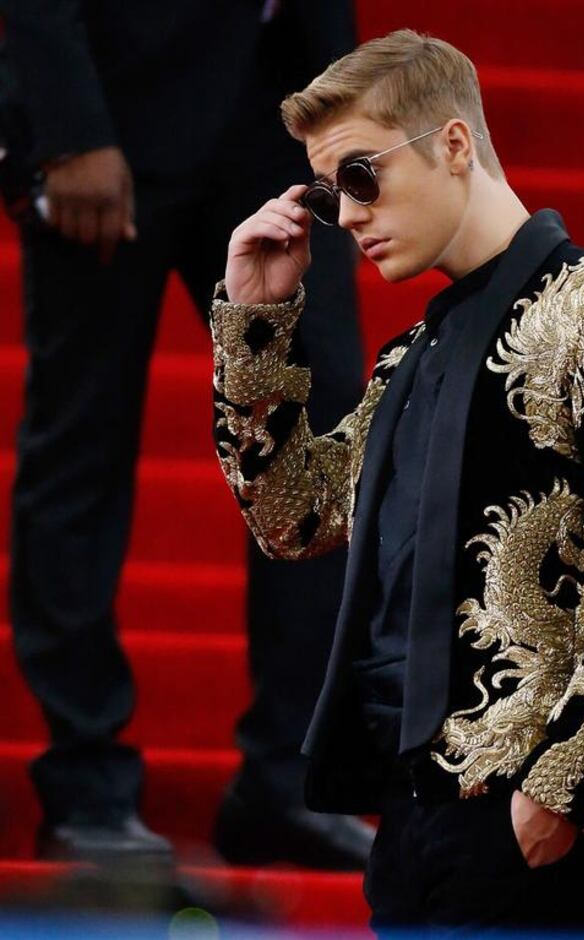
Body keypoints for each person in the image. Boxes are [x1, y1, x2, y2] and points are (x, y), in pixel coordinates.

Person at [212, 28, 584, 934]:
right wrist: (255, 322)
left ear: (454, 144)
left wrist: (564, 784)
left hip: (529, 807)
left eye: (362, 174)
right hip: (409, 810)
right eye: (331, 195)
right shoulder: (410, 353)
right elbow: (296, 518)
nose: (350, 214)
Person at [1, 0, 370, 866]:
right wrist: (67, 126)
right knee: (82, 446)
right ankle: (84, 781)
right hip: (112, 112)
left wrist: (352, 117)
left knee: (319, 431)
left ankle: (288, 779)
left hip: (278, 111)